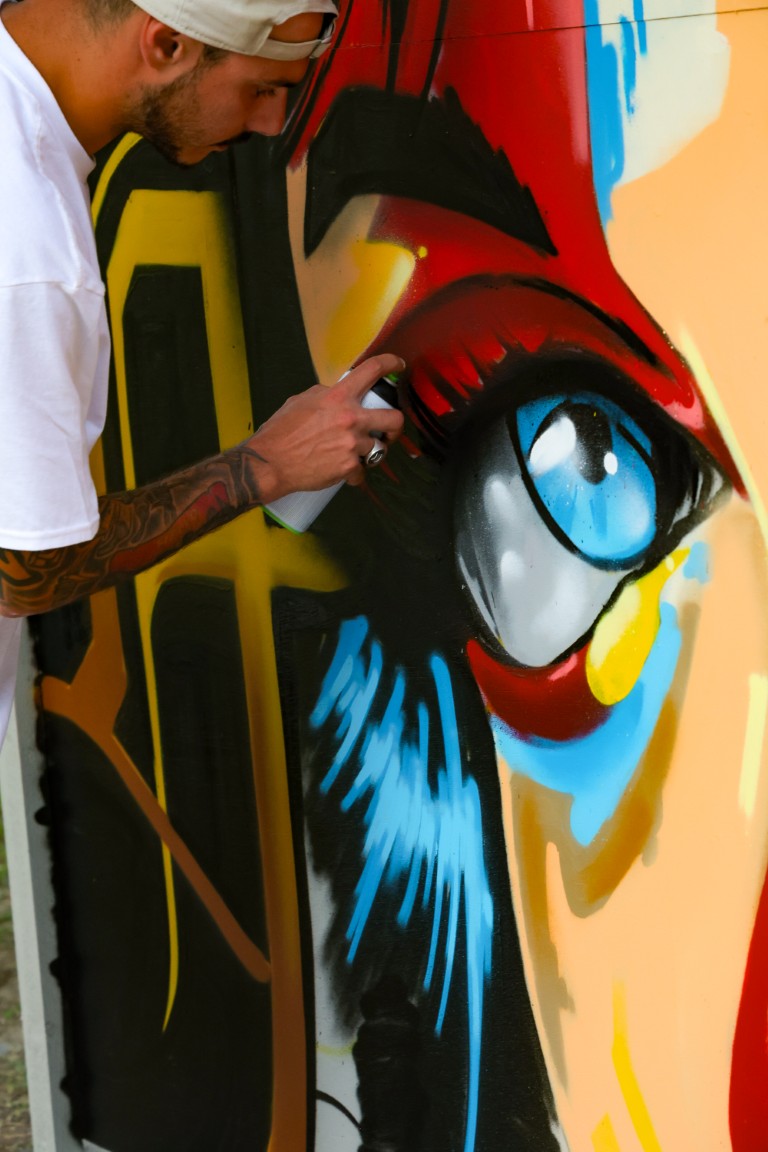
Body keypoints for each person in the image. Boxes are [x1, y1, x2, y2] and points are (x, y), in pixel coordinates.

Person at [0, 0, 405, 748]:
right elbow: (23, 568)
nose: (270, 124)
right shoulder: (30, 253)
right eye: (261, 88)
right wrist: (264, 467)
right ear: (166, 44)